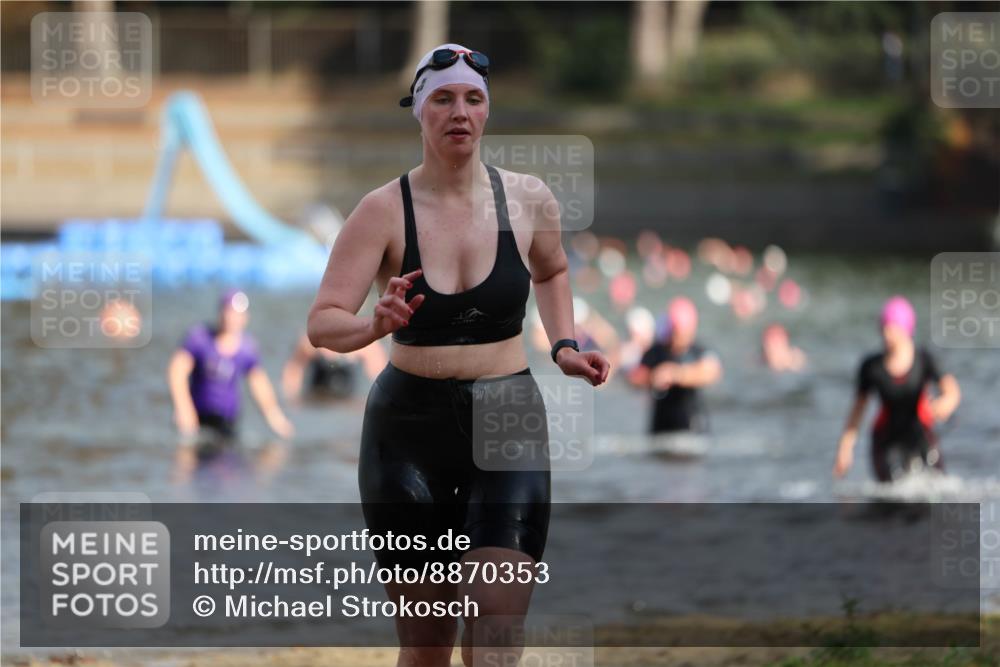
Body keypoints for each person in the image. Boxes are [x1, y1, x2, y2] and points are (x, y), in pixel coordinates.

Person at [306, 44, 609, 667]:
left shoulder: (528, 199)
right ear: (419, 111)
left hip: (508, 420)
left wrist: (564, 345)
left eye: (473, 99)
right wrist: (372, 324)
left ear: (487, 111)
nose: (459, 113)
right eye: (442, 99)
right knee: (427, 643)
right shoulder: (382, 211)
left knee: (497, 626)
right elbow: (322, 323)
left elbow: (552, 271)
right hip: (407, 431)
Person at [167, 289, 294, 481]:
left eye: (237, 314)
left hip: (228, 423)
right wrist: (183, 408)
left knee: (228, 472)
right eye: (228, 312)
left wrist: (274, 417)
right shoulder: (199, 338)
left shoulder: (247, 348)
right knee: (188, 469)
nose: (231, 318)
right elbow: (177, 371)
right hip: (197, 420)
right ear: (220, 312)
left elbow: (258, 383)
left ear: (245, 318)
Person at [834, 296, 961, 482]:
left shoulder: (924, 359)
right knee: (894, 489)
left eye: (891, 327)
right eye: (883, 327)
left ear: (905, 329)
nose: (886, 333)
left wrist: (945, 403)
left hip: (920, 433)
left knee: (937, 482)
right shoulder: (872, 367)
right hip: (886, 439)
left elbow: (952, 389)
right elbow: (858, 410)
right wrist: (845, 448)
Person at [628, 296, 722, 434]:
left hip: (693, 428)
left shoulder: (699, 351)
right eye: (677, 331)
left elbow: (712, 372)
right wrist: (653, 377)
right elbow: (635, 377)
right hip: (661, 428)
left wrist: (676, 375)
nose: (680, 336)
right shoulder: (657, 351)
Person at [281, 333, 387, 403]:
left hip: (347, 403)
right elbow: (294, 371)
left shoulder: (367, 345)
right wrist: (292, 399)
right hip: (317, 402)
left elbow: (381, 379)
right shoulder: (312, 341)